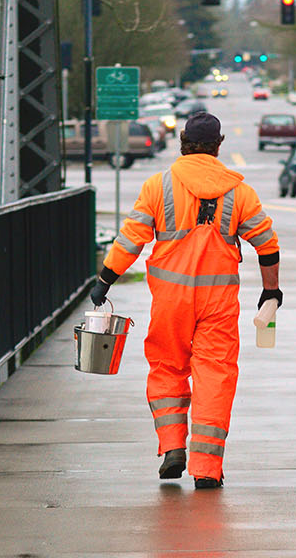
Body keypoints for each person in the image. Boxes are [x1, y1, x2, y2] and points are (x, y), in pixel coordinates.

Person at [91, 111, 281, 488]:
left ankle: (172, 446)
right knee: (215, 374)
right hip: (218, 303)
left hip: (170, 300)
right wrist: (271, 291)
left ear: (182, 141)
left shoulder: (157, 187)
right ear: (219, 145)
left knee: (166, 368)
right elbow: (266, 244)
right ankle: (207, 468)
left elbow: (131, 240)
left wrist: (105, 280)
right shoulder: (238, 192)